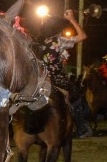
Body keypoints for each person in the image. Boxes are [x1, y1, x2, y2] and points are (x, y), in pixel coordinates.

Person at [36, 9, 89, 137]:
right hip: (57, 79)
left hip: (40, 79)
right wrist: (72, 19)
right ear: (57, 30)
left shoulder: (39, 43)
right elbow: (83, 36)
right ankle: (81, 128)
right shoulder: (59, 41)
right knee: (76, 95)